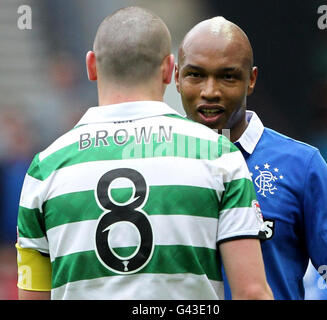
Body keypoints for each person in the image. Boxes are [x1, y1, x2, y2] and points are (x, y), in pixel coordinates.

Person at [16, 7, 273, 300]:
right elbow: (251, 293)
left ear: (91, 66)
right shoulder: (218, 155)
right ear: (168, 70)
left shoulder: (45, 169)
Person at [175, 16, 327, 300]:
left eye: (227, 76)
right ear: (176, 78)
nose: (210, 91)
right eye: (196, 75)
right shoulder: (156, 163)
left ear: (251, 80)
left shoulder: (301, 165)